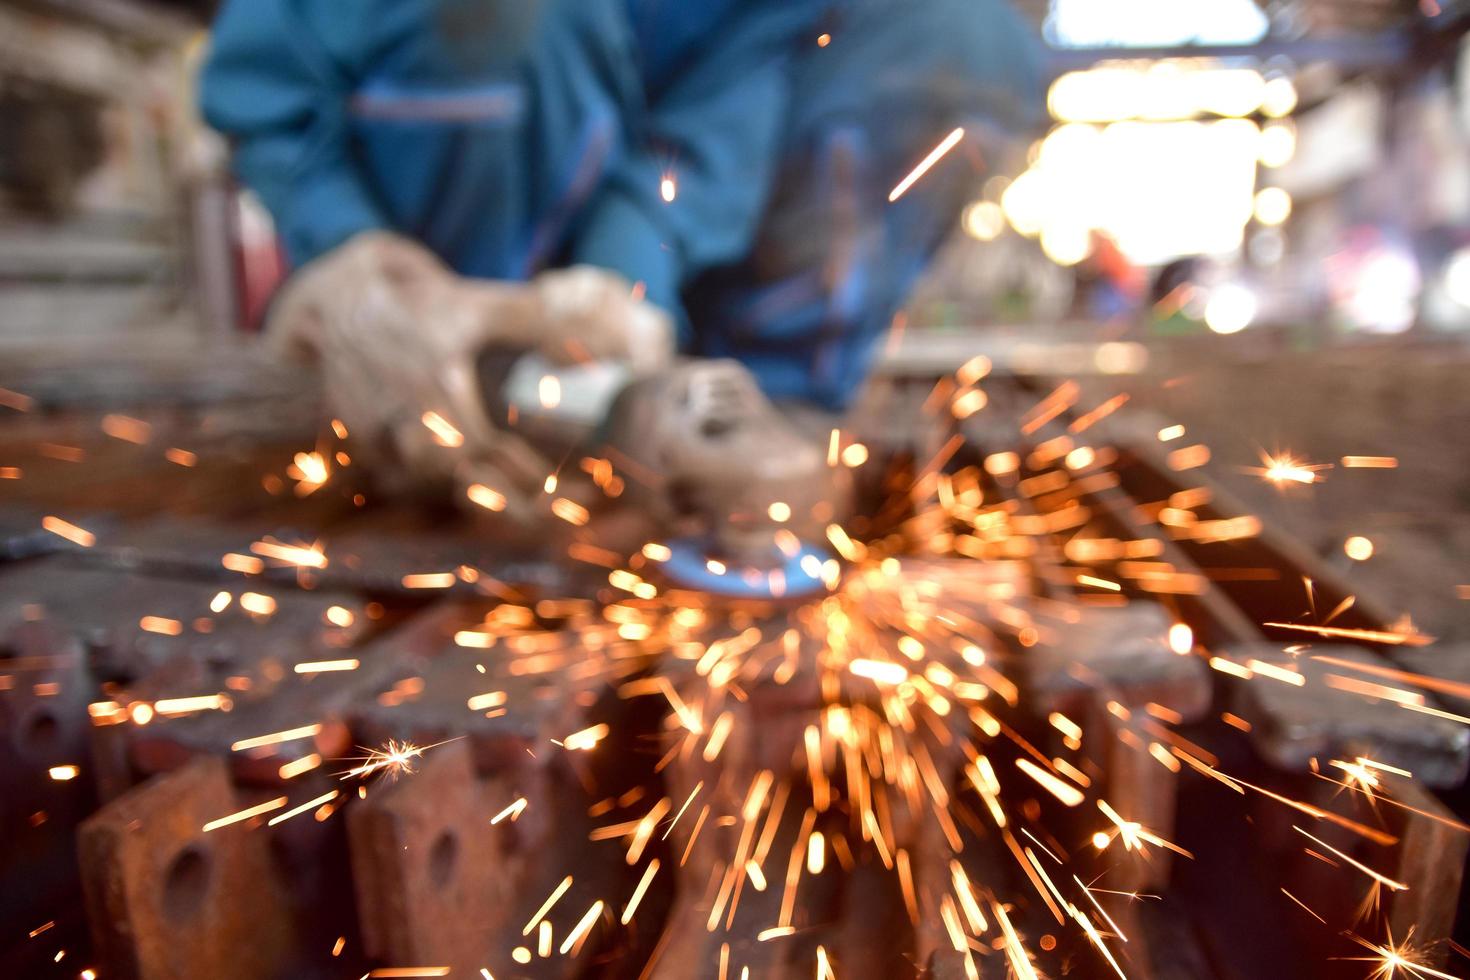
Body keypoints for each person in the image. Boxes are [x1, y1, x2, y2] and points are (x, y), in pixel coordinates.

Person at [200, 0, 1042, 532]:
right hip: (459, 248)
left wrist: (624, 274)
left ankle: (768, 400)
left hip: (674, 272)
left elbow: (726, 107)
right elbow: (270, 74)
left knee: (956, 30)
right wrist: (350, 251)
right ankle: (466, 412)